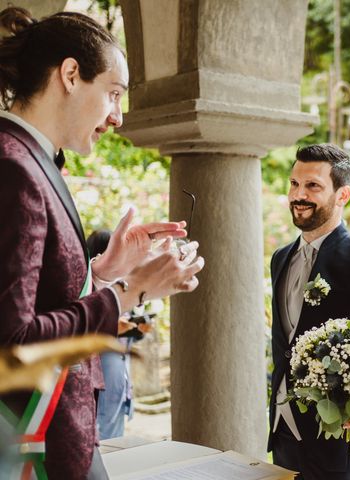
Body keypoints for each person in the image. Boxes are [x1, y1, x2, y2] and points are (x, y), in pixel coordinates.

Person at [0, 7, 204, 479]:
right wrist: (128, 295)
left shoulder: (32, 158)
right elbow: (12, 344)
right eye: (113, 94)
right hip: (35, 449)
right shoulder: (13, 167)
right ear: (70, 74)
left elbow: (39, 297)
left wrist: (107, 270)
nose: (117, 117)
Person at [268, 144, 350, 480]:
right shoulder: (280, 258)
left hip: (336, 438)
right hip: (283, 430)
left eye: (313, 186)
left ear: (343, 195)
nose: (299, 195)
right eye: (294, 184)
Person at [87, 230, 153, 440]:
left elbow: (129, 331)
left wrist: (139, 329)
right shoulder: (88, 291)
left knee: (115, 439)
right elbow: (80, 332)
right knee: (98, 437)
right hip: (98, 377)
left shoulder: (122, 286)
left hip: (119, 379)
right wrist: (111, 327)